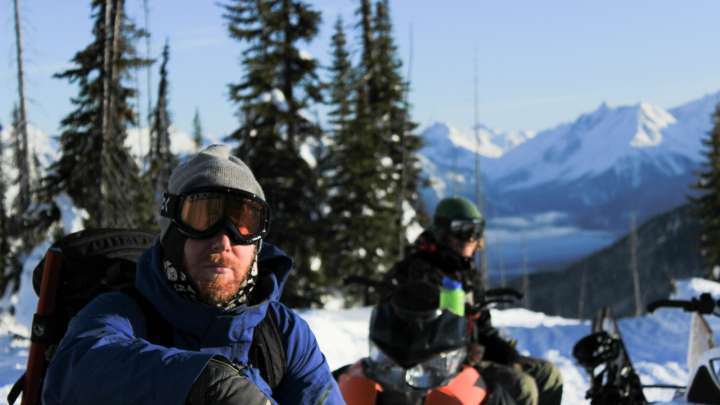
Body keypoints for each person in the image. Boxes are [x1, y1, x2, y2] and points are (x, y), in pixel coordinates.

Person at [42, 145, 345, 405]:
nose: (224, 241)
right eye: (204, 218)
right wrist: (203, 383)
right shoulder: (125, 313)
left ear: (257, 245)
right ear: (173, 234)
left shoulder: (282, 334)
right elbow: (75, 367)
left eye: (243, 224)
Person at [385, 196, 563, 405]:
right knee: (522, 386)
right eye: (463, 230)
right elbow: (413, 330)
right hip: (443, 365)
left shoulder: (465, 272)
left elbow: (483, 325)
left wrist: (503, 352)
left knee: (548, 375)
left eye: (476, 231)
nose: (471, 238)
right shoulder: (418, 271)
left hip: (474, 355)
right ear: (443, 232)